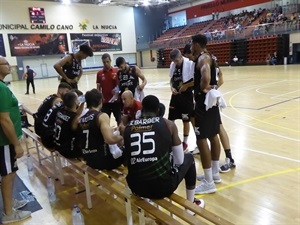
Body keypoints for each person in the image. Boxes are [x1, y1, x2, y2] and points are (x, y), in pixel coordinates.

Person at [123, 95, 205, 209]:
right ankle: (191, 205)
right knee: (189, 159)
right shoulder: (168, 125)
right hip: (161, 188)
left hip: (135, 186)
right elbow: (179, 160)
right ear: (158, 110)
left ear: (142, 110)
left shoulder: (128, 127)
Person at [0, 57, 31, 224]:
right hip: (4, 141)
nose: (9, 65)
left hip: (6, 141)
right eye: (5, 63)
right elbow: (4, 119)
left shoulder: (2, 86)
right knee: (8, 174)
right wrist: (16, 144)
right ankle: (8, 213)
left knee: (10, 172)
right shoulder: (0, 88)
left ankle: (9, 202)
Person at [191, 34, 221, 194]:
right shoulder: (211, 56)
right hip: (212, 102)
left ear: (196, 44)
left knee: (201, 138)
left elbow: (206, 75)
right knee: (213, 135)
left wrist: (202, 88)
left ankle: (209, 182)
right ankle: (214, 173)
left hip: (204, 102)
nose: (190, 46)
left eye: (191, 43)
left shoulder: (203, 59)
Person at [77, 89, 123, 170]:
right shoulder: (101, 116)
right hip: (102, 161)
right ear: (100, 101)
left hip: (88, 159)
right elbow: (110, 140)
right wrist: (124, 135)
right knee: (128, 149)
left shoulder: (81, 118)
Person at [168, 49, 194, 152]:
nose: (175, 63)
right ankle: (170, 140)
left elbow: (195, 81)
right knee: (171, 119)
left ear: (181, 56)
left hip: (186, 96)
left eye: (177, 61)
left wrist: (185, 86)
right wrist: (171, 88)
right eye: (174, 61)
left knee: (185, 120)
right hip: (175, 96)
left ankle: (185, 143)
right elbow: (171, 79)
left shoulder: (190, 63)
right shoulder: (172, 64)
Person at [54, 92, 83, 158]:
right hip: (68, 151)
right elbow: (76, 116)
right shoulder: (74, 118)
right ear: (76, 102)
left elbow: (75, 114)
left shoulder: (60, 111)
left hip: (57, 145)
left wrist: (82, 103)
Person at [96, 53, 121, 125]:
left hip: (116, 101)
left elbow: (120, 85)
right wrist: (99, 99)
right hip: (105, 102)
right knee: (105, 121)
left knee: (119, 120)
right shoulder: (99, 73)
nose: (106, 63)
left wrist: (116, 91)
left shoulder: (117, 72)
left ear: (110, 60)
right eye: (104, 62)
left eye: (107, 61)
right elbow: (98, 88)